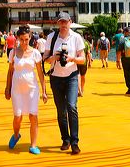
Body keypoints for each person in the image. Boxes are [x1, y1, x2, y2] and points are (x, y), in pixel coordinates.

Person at [43, 12, 86, 155]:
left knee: (72, 107)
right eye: (61, 22)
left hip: (72, 76)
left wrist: (72, 58)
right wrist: (54, 57)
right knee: (61, 111)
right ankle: (65, 139)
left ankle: (75, 142)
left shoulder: (76, 37)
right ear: (58, 23)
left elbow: (83, 59)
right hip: (55, 78)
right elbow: (45, 59)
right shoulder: (51, 37)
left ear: (70, 22)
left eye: (65, 22)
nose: (63, 25)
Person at [5, 26, 48, 155]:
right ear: (18, 38)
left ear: (30, 38)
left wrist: (44, 91)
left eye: (27, 39)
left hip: (32, 89)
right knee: (17, 116)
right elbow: (10, 71)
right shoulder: (13, 52)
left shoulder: (35, 53)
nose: (24, 42)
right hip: (17, 89)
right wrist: (7, 88)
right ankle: (16, 134)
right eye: (22, 39)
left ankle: (33, 144)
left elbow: (40, 73)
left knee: (33, 115)